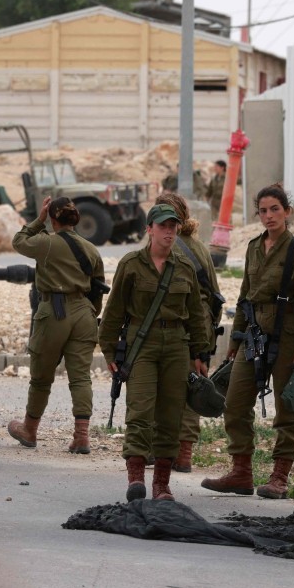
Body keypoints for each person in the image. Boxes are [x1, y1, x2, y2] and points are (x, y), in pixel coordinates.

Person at [201, 183, 294, 500]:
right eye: (263, 211)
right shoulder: (254, 247)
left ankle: (280, 476)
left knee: (288, 410)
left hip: (289, 338)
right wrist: (236, 338)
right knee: (234, 402)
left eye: (275, 209)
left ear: (287, 212)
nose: (269, 216)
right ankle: (241, 472)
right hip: (254, 336)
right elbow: (245, 296)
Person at [99, 203, 210, 502]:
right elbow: (113, 312)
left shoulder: (184, 266)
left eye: (173, 226)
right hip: (141, 343)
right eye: (163, 226)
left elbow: (196, 315)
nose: (169, 232)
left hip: (176, 344)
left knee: (171, 415)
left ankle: (162, 484)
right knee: (140, 410)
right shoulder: (131, 264)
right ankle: (136, 478)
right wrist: (109, 351)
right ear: (149, 229)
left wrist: (200, 353)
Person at [7, 196, 106, 454]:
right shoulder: (91, 249)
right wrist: (90, 313)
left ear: (53, 219)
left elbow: (19, 241)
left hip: (54, 312)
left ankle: (29, 430)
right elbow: (98, 288)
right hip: (84, 313)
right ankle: (82, 436)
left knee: (41, 377)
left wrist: (38, 221)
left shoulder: (46, 243)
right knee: (81, 377)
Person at [153, 192, 224, 473]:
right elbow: (215, 294)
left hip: (174, 326)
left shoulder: (162, 246)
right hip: (200, 327)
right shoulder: (200, 248)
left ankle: (164, 449)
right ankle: (184, 453)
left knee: (162, 389)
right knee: (192, 388)